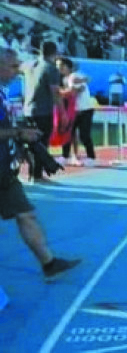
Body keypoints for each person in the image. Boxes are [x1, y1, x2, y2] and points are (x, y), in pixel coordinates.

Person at [0, 48, 81, 281]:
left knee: (26, 214)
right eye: (13, 66)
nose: (18, 72)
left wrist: (18, 145)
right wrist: (18, 133)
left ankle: (49, 263)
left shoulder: (3, 93)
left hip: (4, 170)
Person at [21, 41, 66, 182]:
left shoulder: (30, 65)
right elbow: (55, 92)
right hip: (43, 110)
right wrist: (62, 112)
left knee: (33, 143)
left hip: (28, 109)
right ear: (55, 53)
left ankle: (33, 173)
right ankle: (37, 175)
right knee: (41, 143)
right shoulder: (51, 69)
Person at [56, 58, 96, 166]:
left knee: (84, 135)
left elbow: (76, 91)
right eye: (58, 66)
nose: (59, 68)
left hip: (85, 110)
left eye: (61, 66)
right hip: (73, 111)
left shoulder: (74, 76)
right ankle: (65, 156)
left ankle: (91, 158)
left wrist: (59, 92)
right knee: (67, 133)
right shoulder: (64, 79)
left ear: (68, 67)